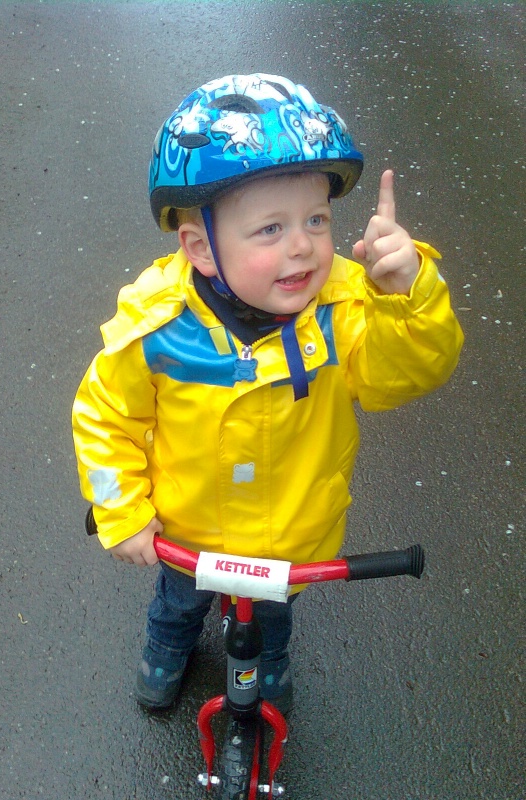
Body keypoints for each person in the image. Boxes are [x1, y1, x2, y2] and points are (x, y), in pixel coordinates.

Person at [72, 73, 463, 713]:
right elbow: (104, 416)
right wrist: (123, 512)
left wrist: (407, 299)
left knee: (272, 621)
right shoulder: (159, 330)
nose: (303, 245)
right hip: (187, 535)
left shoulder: (343, 309)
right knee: (179, 604)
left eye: (316, 219)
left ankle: (270, 658)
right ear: (201, 247)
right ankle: (168, 644)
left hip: (290, 539)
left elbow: (401, 375)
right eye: (270, 229)